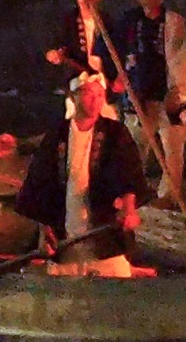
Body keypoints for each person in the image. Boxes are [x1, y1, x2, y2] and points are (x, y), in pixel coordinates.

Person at [12, 72, 143, 276]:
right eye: (90, 94)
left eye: (100, 95)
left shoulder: (116, 133)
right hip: (66, 240)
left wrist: (129, 207)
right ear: (74, 97)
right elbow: (40, 182)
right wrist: (44, 229)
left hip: (104, 239)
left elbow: (129, 172)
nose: (96, 100)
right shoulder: (57, 135)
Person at [110, 0, 186, 193]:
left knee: (173, 147)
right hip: (138, 96)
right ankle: (132, 194)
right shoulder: (129, 22)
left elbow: (182, 57)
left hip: (167, 94)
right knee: (135, 147)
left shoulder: (173, 22)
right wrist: (116, 76)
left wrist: (178, 91)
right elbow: (107, 49)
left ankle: (169, 196)